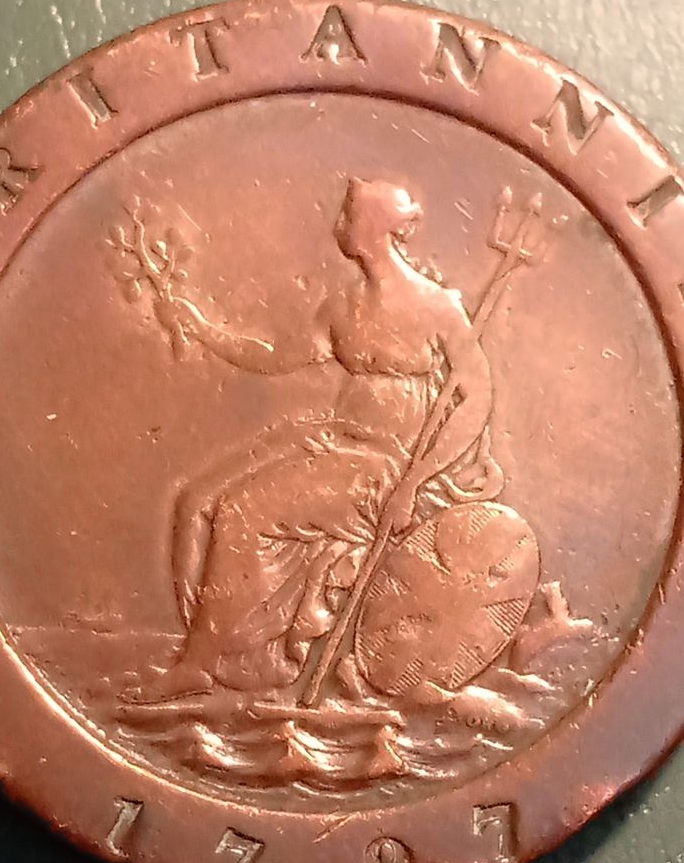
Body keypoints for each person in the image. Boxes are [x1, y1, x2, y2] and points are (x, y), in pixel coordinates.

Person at [127, 178, 499, 702]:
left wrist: (414, 482)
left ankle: (199, 665)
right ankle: (230, 651)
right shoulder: (343, 306)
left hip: (387, 466)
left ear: (375, 229)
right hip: (337, 442)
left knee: (242, 511)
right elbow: (276, 357)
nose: (338, 226)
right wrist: (203, 328)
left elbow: (477, 398)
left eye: (348, 216)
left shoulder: (437, 308)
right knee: (196, 502)